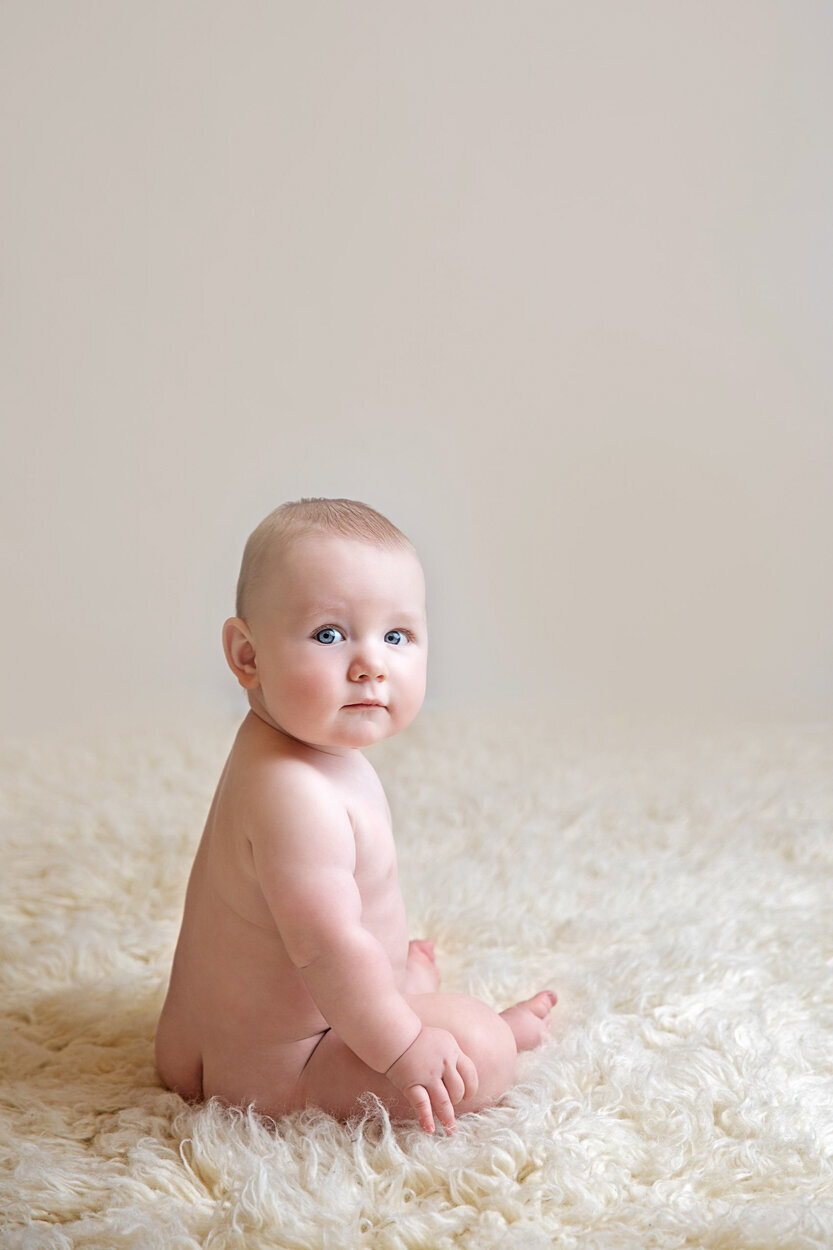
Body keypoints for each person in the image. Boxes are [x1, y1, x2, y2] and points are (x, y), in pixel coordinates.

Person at [155, 497, 556, 1134]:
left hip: (208, 1040)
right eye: (329, 634)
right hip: (279, 1069)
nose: (370, 663)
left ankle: (398, 990)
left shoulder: (279, 750)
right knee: (478, 1045)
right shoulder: (294, 795)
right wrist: (403, 1046)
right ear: (247, 656)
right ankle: (425, 1016)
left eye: (396, 636)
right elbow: (329, 947)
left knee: (382, 969)